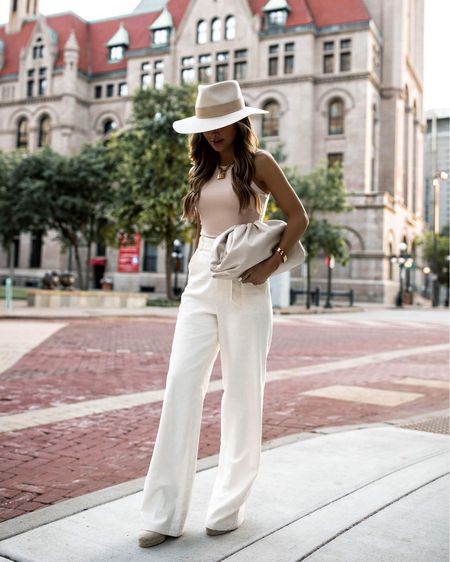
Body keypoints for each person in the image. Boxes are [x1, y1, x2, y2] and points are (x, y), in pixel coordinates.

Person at [138, 80, 309, 548]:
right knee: (180, 386)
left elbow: (298, 217)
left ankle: (228, 505)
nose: (213, 134)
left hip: (245, 285)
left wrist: (271, 266)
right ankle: (164, 512)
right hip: (201, 278)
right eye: (206, 126)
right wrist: (198, 271)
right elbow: (204, 231)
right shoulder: (201, 169)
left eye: (221, 125)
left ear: (238, 122)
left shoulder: (260, 165)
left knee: (241, 394)